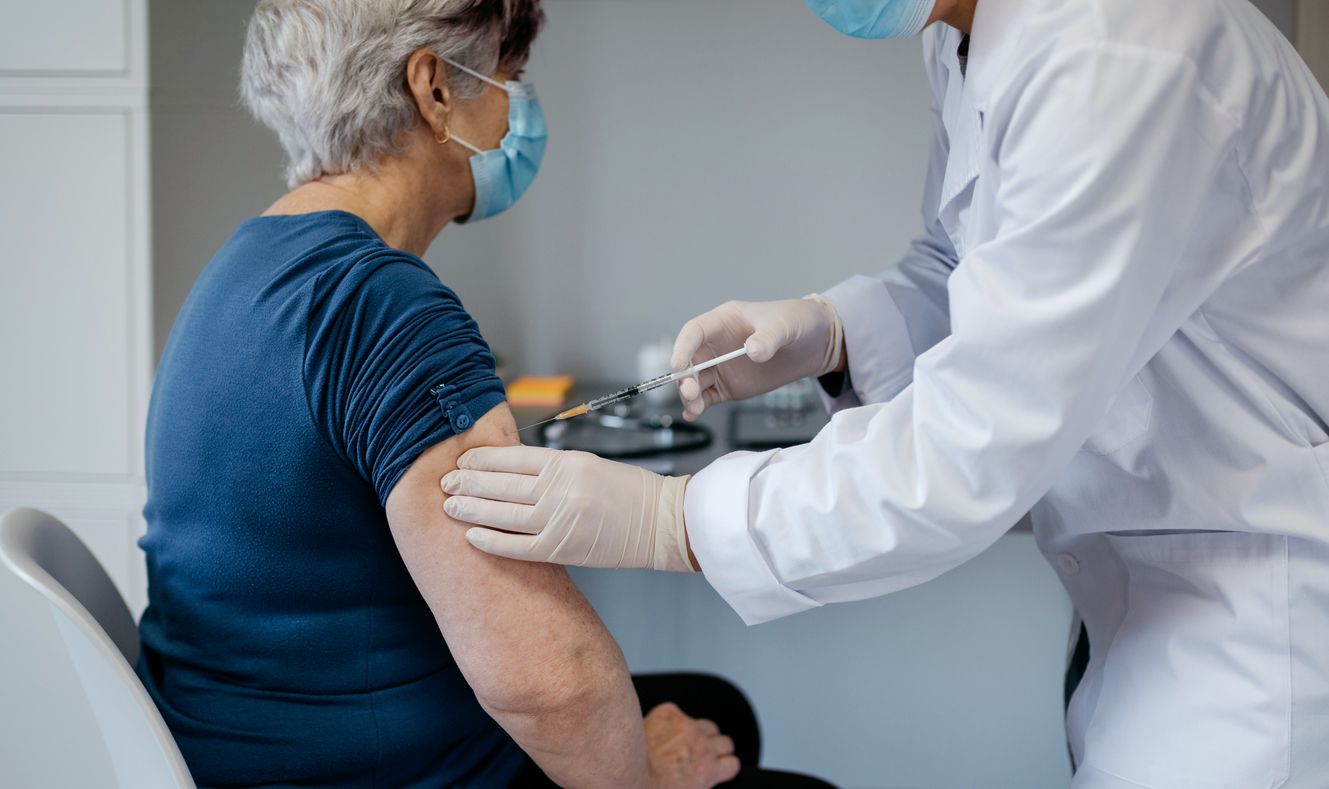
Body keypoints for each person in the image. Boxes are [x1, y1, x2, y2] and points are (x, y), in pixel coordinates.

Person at [441, 0, 1329, 786]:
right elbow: (970, 270)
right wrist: (831, 330)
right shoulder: (968, 36)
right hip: (1143, 590)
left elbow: (968, 445)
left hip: (1255, 621)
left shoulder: (1120, 53)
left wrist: (672, 521)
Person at [137, 1, 832, 787]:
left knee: (715, 709)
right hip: (395, 771)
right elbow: (547, 683)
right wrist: (644, 776)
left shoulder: (244, 264)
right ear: (433, 90)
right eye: (508, 78)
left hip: (239, 744)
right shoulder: (382, 304)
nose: (517, 111)